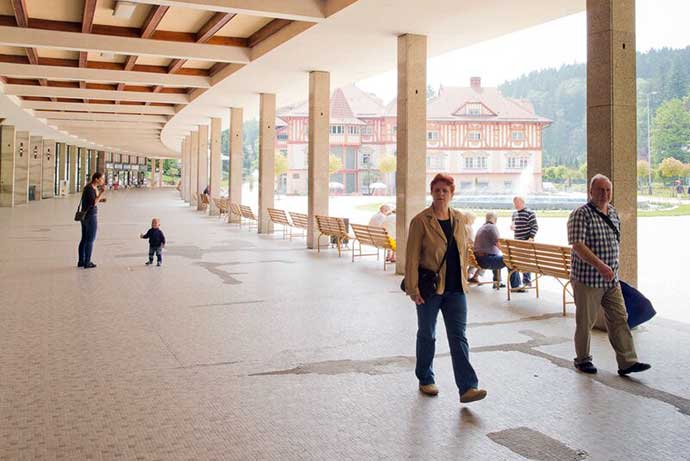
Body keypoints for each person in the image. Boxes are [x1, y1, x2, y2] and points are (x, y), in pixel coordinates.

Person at [405, 173, 487, 404]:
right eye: (437, 190)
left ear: (452, 194)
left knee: (459, 336)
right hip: (430, 289)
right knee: (427, 334)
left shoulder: (459, 219)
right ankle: (425, 378)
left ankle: (468, 387)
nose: (441, 194)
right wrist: (413, 288)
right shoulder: (421, 221)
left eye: (445, 191)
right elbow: (411, 257)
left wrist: (465, 277)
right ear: (431, 192)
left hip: (456, 290)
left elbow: (463, 251)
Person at [567, 174, 651, 376]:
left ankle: (628, 362)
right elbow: (578, 245)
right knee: (585, 322)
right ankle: (582, 360)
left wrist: (610, 269)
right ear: (590, 191)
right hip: (587, 280)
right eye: (600, 190)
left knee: (620, 318)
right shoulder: (580, 214)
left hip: (611, 281)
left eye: (608, 190)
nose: (604, 194)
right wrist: (600, 265)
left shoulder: (612, 212)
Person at [473, 212, 521, 289]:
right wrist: (508, 254)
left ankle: (497, 282)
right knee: (510, 260)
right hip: (485, 260)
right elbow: (498, 243)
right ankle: (516, 286)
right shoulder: (492, 227)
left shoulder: (482, 227)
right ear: (495, 219)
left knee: (497, 256)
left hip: (479, 259)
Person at [77, 172, 106, 269]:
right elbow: (93, 202)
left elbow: (91, 200)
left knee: (84, 238)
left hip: (86, 216)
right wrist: (101, 193)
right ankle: (87, 262)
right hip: (90, 216)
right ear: (96, 179)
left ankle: (81, 261)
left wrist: (101, 199)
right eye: (101, 178)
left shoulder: (90, 187)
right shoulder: (90, 188)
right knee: (90, 239)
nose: (103, 180)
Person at [510, 196, 538, 287]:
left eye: (518, 203)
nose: (516, 205)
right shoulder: (514, 214)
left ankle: (527, 281)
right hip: (517, 241)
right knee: (519, 261)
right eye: (515, 203)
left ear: (523, 202)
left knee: (525, 261)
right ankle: (521, 282)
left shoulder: (529, 213)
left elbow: (535, 227)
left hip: (526, 241)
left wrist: (531, 237)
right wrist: (512, 227)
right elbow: (514, 225)